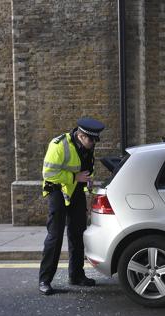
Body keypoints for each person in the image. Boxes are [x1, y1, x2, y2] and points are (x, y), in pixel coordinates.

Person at [38, 117, 105, 295]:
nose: (93, 143)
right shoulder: (59, 145)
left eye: (95, 140)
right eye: (91, 139)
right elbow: (49, 173)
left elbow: (87, 168)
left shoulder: (88, 146)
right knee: (55, 236)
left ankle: (76, 275)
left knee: (77, 234)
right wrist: (75, 178)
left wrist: (88, 181)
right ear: (81, 135)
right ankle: (44, 280)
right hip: (57, 191)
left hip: (76, 192)